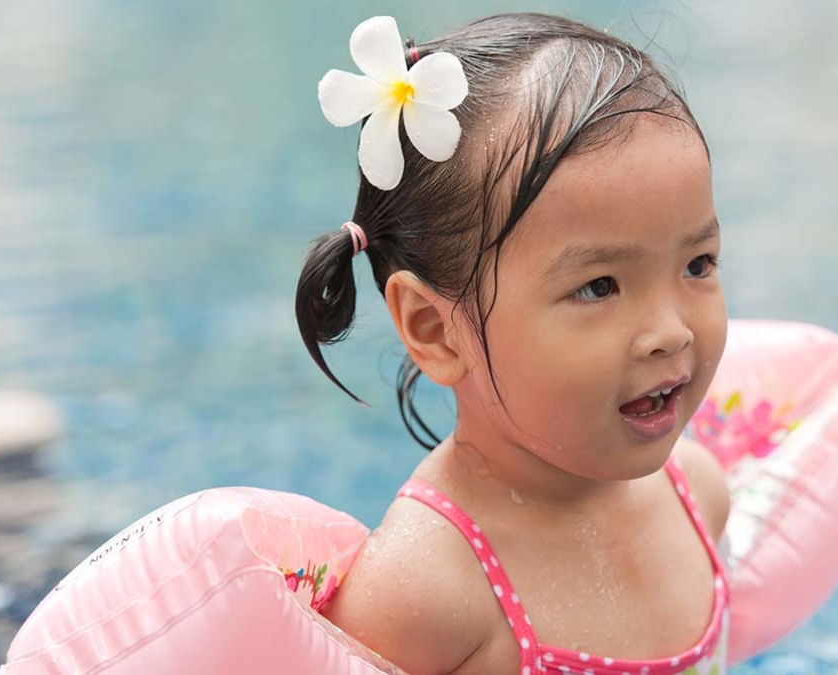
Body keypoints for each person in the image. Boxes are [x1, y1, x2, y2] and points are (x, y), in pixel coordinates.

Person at [298, 12, 731, 675]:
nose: (669, 331)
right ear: (433, 329)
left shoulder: (696, 495)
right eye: (598, 286)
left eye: (697, 264)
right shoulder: (426, 588)